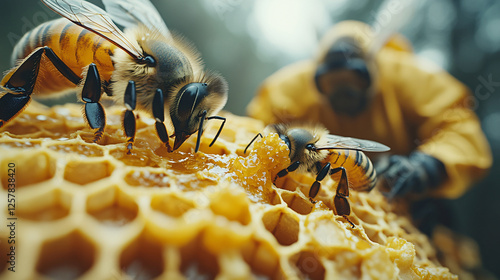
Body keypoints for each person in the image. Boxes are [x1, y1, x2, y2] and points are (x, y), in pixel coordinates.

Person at [247, 20, 492, 202]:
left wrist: (429, 166)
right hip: (319, 189)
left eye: (354, 81)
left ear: (374, 67)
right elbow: (258, 128)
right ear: (316, 77)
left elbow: (459, 126)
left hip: (406, 202)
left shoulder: (407, 76)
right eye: (332, 84)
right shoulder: (292, 88)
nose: (343, 94)